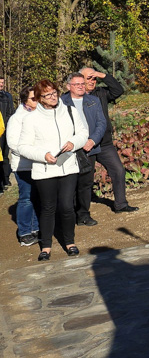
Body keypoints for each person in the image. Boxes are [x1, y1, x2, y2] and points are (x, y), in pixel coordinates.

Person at [18, 80, 88, 261]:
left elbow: (82, 133)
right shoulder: (30, 119)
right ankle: (46, 246)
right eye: (48, 95)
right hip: (45, 169)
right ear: (40, 99)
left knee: (66, 206)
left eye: (54, 93)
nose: (53, 97)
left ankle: (70, 242)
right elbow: (23, 146)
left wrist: (74, 143)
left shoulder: (70, 112)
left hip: (68, 166)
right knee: (48, 208)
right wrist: (43, 155)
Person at [79, 66, 138, 213]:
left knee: (118, 170)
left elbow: (118, 90)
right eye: (89, 78)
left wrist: (103, 75)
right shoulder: (75, 97)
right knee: (85, 180)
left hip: (105, 143)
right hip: (86, 145)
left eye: (94, 78)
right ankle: (81, 212)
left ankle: (121, 205)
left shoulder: (101, 93)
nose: (92, 81)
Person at [61, 72, 107, 226]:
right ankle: (68, 215)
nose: (81, 86)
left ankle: (84, 215)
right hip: (69, 148)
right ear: (69, 86)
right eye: (77, 84)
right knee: (69, 183)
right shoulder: (61, 102)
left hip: (89, 148)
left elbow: (102, 122)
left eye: (82, 83)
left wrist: (93, 140)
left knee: (85, 183)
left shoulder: (93, 101)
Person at [7, 86, 39, 246]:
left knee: (36, 197)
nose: (37, 101)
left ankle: (35, 228)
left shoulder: (38, 114)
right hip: (23, 165)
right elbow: (12, 143)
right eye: (34, 98)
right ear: (25, 100)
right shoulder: (17, 118)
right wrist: (31, 152)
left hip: (38, 164)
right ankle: (25, 232)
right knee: (26, 198)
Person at [0, 77, 14, 192]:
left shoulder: (7, 96)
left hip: (6, 130)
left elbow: (11, 112)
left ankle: (5, 178)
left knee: (5, 155)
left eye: (2, 83)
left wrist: (7, 126)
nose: (1, 85)